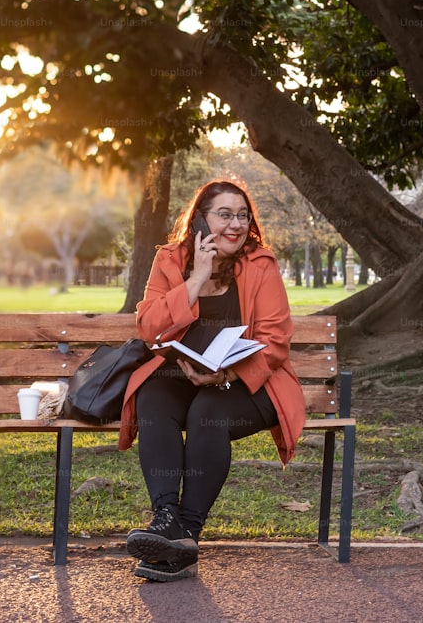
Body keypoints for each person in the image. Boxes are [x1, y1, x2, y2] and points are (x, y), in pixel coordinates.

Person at [118, 178, 306, 582]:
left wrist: (226, 372)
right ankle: (165, 520)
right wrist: (196, 278)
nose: (236, 224)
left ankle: (185, 534)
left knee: (208, 411)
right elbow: (149, 326)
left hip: (249, 381)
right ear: (201, 219)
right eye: (224, 214)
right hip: (181, 371)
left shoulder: (261, 264)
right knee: (153, 401)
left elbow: (275, 342)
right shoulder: (171, 259)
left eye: (242, 215)